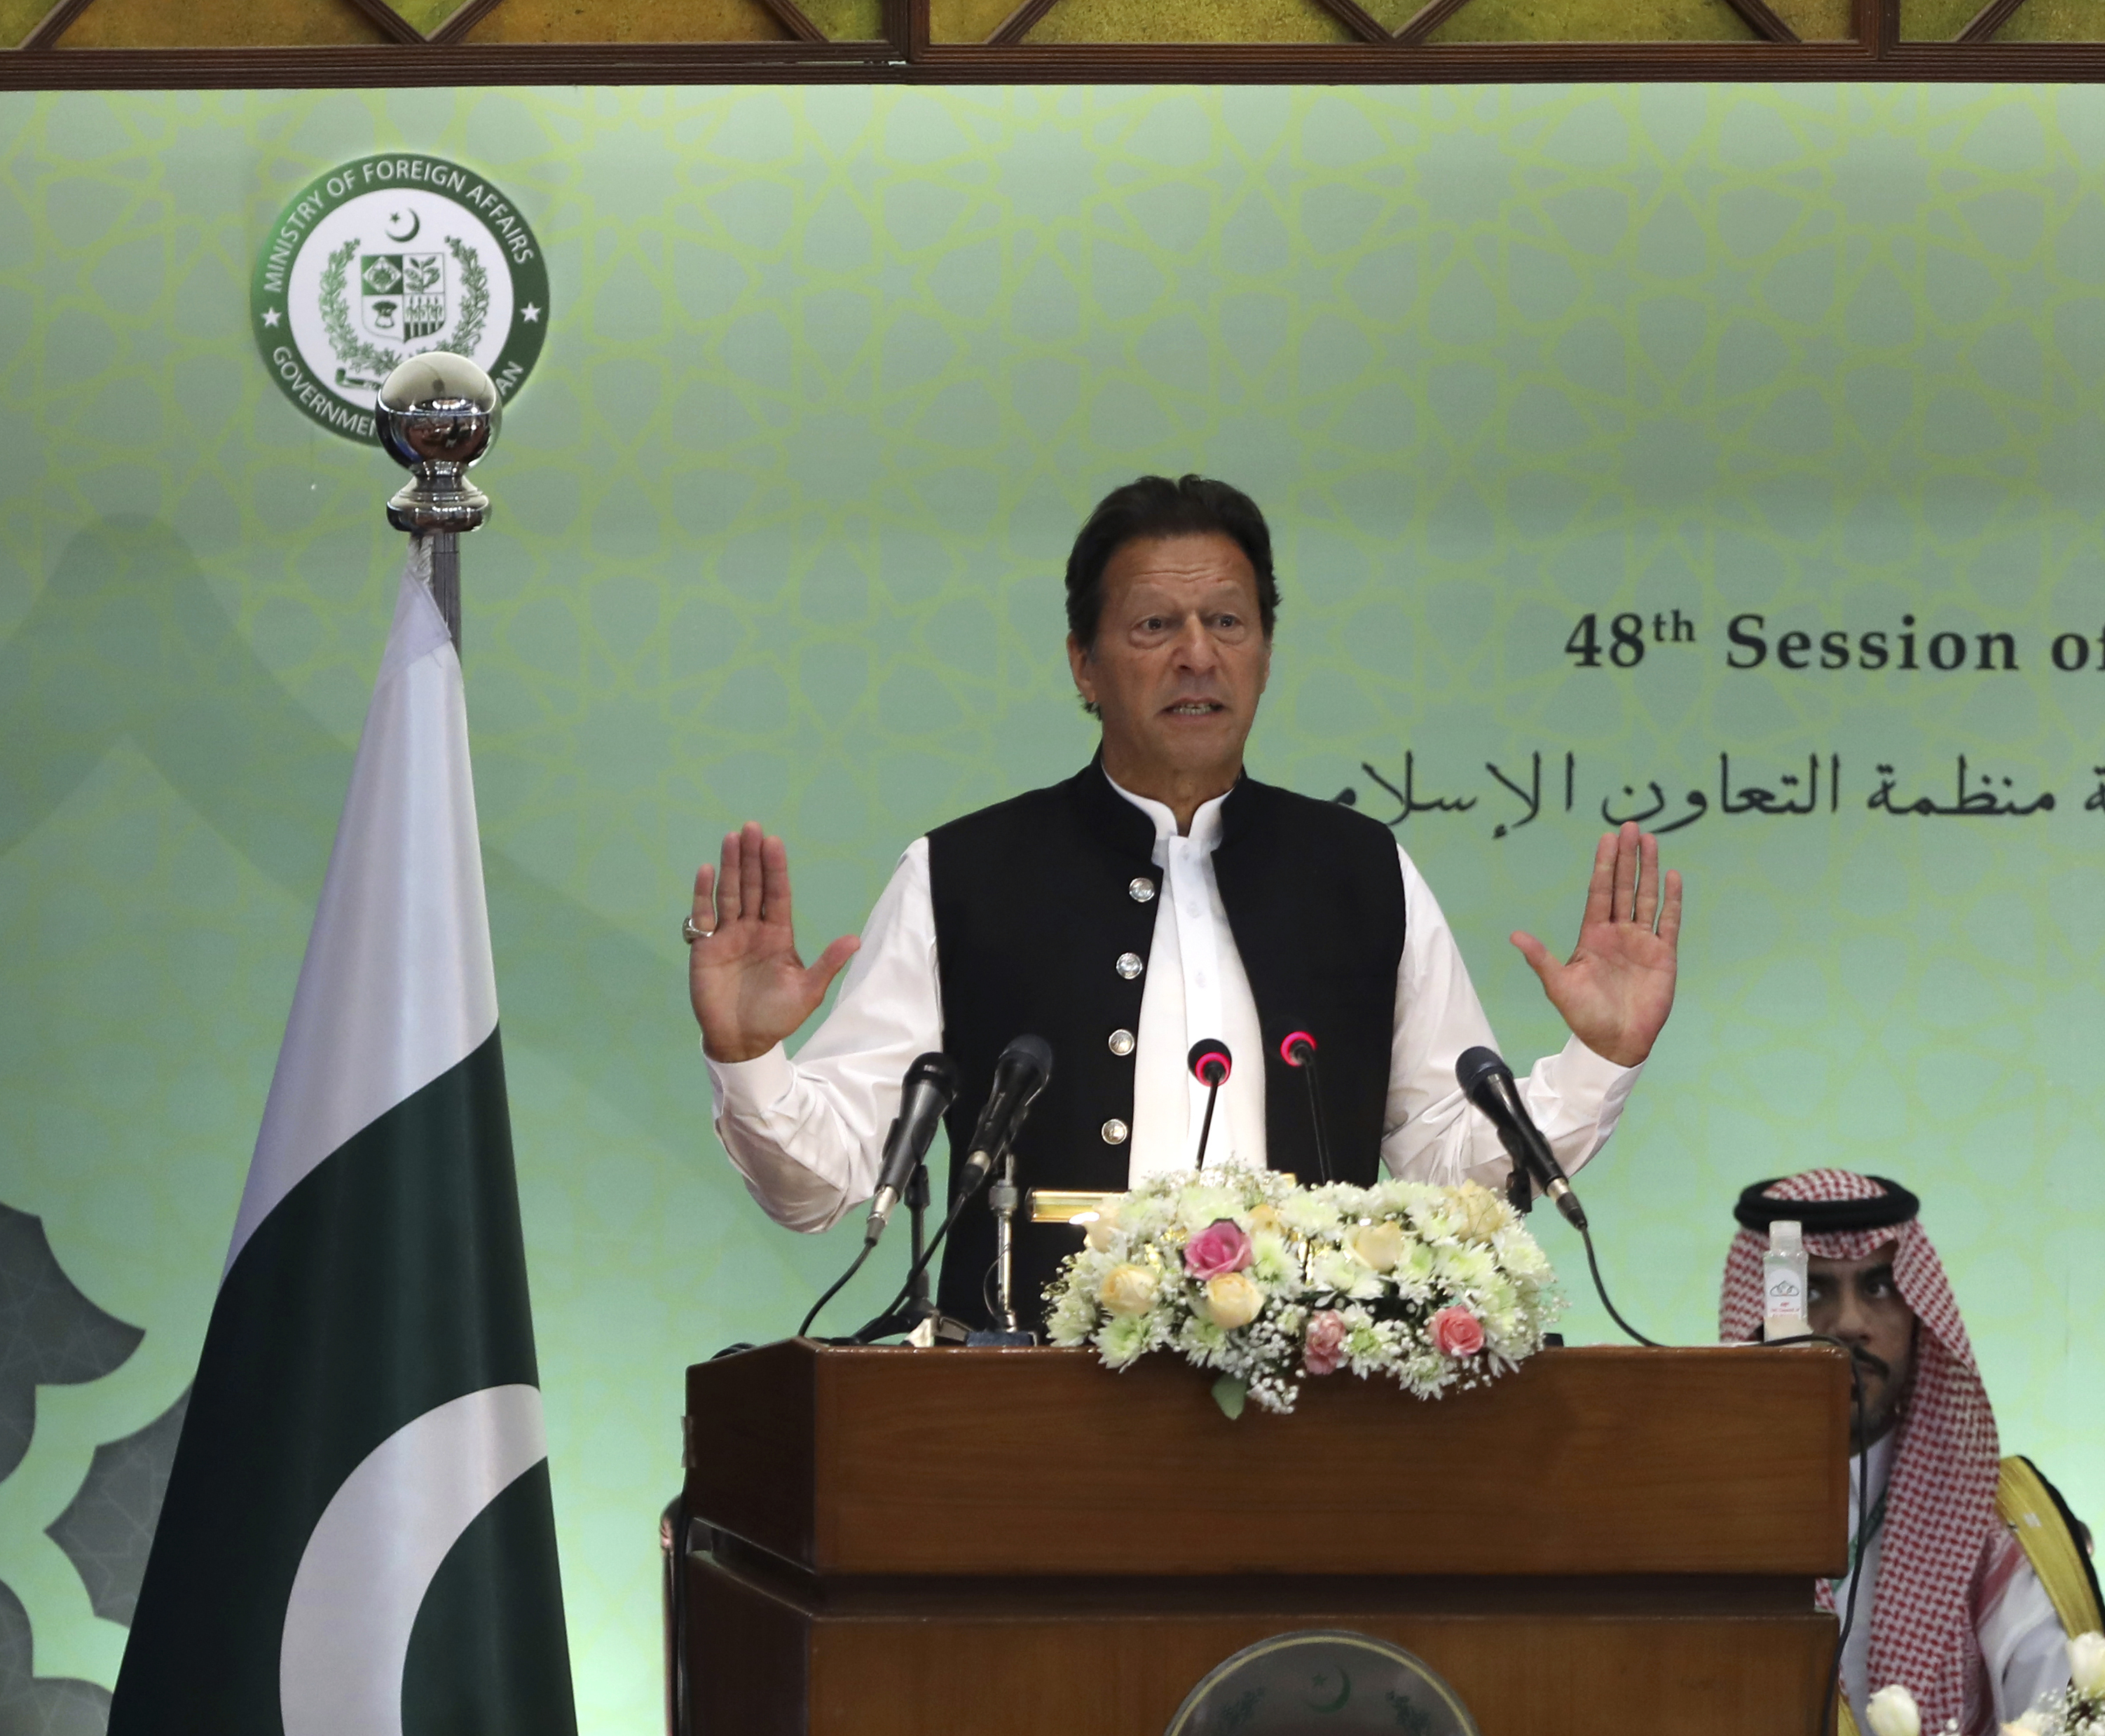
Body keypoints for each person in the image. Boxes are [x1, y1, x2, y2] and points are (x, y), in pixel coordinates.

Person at [687, 473, 1685, 1326]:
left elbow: (1448, 1179)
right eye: (1155, 626)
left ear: (1264, 651)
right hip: (1020, 1433)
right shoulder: (965, 872)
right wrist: (749, 1059)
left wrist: (1598, 1062)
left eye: (1228, 624)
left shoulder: (1361, 871)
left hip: (1309, 1420)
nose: (1197, 655)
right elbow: (823, 1188)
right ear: (1085, 663)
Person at [1720, 1170, 2105, 1736]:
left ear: (1918, 1311)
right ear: (1761, 1317)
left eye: (1878, 1286)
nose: (1850, 1324)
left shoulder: (2000, 1522)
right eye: (1813, 1291)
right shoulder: (1695, 1518)